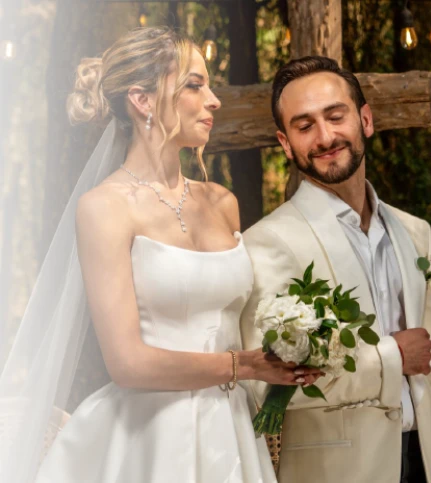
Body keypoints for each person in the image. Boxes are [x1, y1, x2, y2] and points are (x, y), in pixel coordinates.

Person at [0, 27, 320, 483]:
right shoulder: (103, 209)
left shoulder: (222, 202)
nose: (214, 100)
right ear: (142, 100)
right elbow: (127, 363)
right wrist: (244, 364)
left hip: (230, 431)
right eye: (195, 85)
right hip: (150, 439)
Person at [239, 56, 431, 483]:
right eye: (305, 126)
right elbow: (267, 387)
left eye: (336, 116)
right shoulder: (266, 242)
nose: (325, 136)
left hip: (424, 462)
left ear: (365, 120)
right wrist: (392, 356)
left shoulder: (415, 233)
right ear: (286, 143)